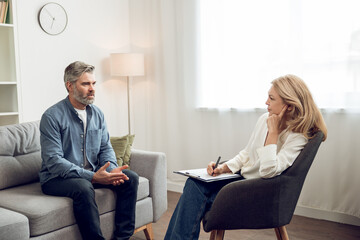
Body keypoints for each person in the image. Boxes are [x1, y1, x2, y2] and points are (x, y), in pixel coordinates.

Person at [164, 74, 327, 240]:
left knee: (196, 198)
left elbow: (268, 172)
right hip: (241, 181)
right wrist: (222, 168)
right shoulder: (265, 119)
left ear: (289, 106)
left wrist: (273, 133)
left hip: (258, 193)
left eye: (271, 98)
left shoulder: (298, 136)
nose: (266, 103)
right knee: (193, 183)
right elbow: (247, 153)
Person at [39, 61, 139, 240]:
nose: (92, 88)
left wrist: (111, 171)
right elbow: (54, 162)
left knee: (130, 178)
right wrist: (92, 176)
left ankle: (122, 238)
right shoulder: (52, 116)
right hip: (56, 179)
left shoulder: (97, 113)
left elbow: (105, 147)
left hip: (91, 173)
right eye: (85, 84)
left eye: (93, 83)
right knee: (84, 187)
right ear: (70, 86)